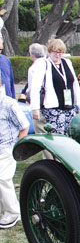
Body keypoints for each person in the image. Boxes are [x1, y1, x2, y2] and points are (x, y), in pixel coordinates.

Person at [30, 38, 80, 135]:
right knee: (57, 135)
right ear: (50, 51)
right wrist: (35, 108)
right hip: (53, 108)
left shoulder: (67, 62)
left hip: (69, 107)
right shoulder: (44, 64)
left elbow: (75, 85)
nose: (57, 55)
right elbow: (35, 87)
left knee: (70, 134)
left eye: (60, 52)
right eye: (55, 52)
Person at [0, 86, 30, 229]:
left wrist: (17, 147)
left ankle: (13, 213)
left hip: (7, 148)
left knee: (3, 179)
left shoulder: (9, 103)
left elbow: (24, 126)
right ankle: (6, 210)